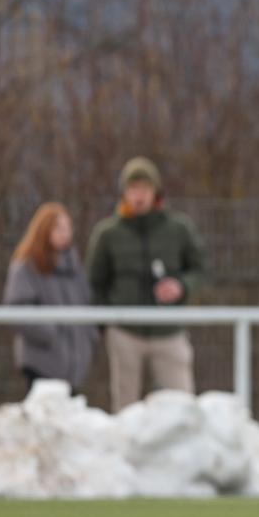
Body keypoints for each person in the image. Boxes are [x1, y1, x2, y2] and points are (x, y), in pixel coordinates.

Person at [86, 157, 205, 412]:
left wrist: (181, 286)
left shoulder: (178, 228)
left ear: (156, 192)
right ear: (124, 193)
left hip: (169, 331)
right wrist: (106, 326)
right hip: (124, 333)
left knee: (183, 407)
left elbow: (200, 269)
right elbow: (95, 283)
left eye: (144, 188)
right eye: (133, 188)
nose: (139, 195)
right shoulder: (107, 234)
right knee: (126, 408)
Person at [3, 202, 99, 394]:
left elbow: (87, 305)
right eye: (58, 228)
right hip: (42, 362)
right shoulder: (26, 267)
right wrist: (51, 335)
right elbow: (18, 309)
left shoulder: (75, 267)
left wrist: (89, 337)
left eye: (67, 228)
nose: (65, 233)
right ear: (43, 230)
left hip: (75, 364)